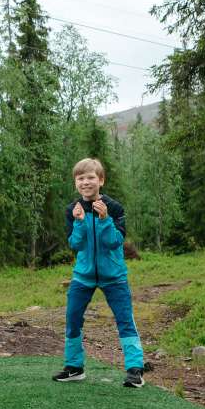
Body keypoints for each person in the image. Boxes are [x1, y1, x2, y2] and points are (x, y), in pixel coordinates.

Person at [52, 158, 145, 388]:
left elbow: (115, 242)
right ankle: (74, 368)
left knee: (125, 320)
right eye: (81, 178)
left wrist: (104, 220)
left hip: (114, 276)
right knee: (73, 318)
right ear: (76, 183)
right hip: (83, 276)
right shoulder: (72, 210)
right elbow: (75, 244)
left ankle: (135, 370)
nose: (86, 182)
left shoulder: (114, 208)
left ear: (101, 180)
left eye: (91, 177)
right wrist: (80, 223)